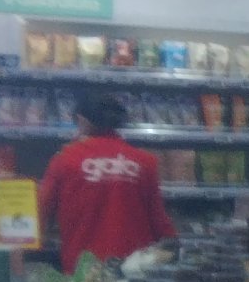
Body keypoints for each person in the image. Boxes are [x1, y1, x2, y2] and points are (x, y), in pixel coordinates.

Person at [39, 95, 175, 272]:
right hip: (133, 268)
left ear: (82, 121)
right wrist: (173, 247)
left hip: (82, 268)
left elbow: (42, 210)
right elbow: (158, 218)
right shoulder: (145, 161)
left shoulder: (65, 159)